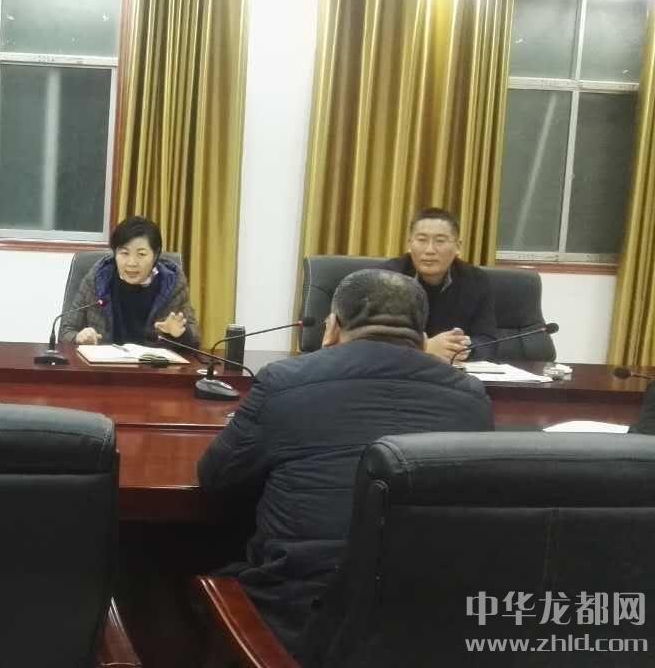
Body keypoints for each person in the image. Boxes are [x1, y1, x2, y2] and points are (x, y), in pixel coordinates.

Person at [197, 269, 492, 657]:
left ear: (332, 328)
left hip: (303, 620)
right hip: (426, 627)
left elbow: (216, 478)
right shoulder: (472, 397)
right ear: (423, 339)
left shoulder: (284, 381)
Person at [60, 216, 199, 347]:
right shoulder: (98, 279)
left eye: (141, 254)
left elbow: (195, 340)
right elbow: (65, 331)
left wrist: (180, 334)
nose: (131, 263)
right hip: (104, 363)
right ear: (115, 253)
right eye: (124, 253)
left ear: (156, 255)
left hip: (152, 364)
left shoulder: (172, 283)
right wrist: (78, 337)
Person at [381, 207, 497, 361]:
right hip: (401, 367)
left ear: (458, 247)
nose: (430, 250)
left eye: (440, 241)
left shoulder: (476, 280)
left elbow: (488, 341)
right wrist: (424, 347)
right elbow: (372, 339)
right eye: (422, 240)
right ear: (409, 245)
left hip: (451, 369)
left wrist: (463, 348)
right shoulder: (387, 278)